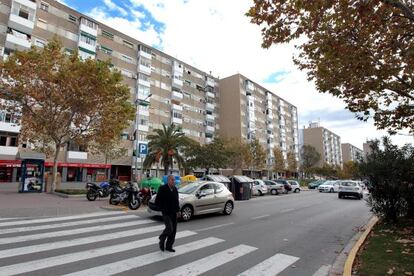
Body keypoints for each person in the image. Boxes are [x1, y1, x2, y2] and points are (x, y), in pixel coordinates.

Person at [155, 175, 180, 252]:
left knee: (173, 231)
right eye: (172, 180)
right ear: (168, 180)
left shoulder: (175, 189)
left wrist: (178, 211)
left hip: (173, 213)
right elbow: (157, 201)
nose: (174, 181)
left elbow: (176, 201)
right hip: (166, 213)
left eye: (174, 180)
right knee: (169, 228)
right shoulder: (163, 188)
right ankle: (162, 238)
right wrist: (162, 208)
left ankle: (169, 246)